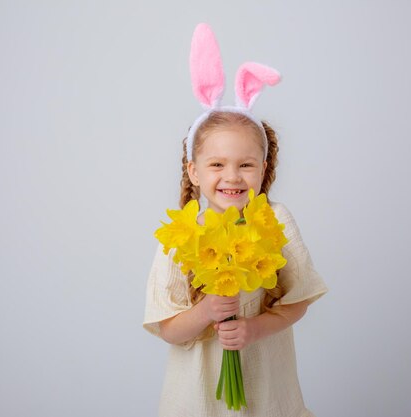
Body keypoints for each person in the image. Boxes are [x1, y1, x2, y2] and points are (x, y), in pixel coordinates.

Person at [143, 24, 328, 417]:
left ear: (264, 168)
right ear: (193, 171)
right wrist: (206, 311)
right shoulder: (181, 233)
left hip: (266, 385)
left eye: (245, 164)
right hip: (198, 396)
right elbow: (169, 330)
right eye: (216, 164)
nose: (231, 176)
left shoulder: (275, 221)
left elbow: (299, 300)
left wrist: (254, 329)